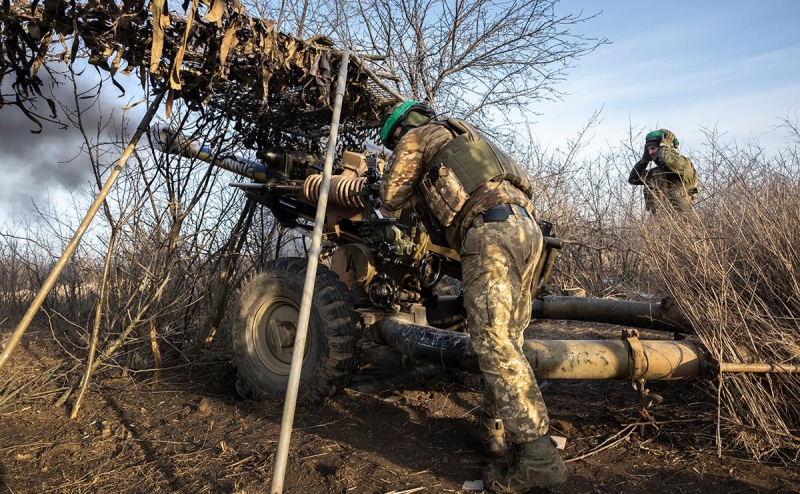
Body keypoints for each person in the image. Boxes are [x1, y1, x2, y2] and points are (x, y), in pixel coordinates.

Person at [378, 100, 568, 493]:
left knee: (494, 343)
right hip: (527, 230)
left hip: (489, 234)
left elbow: (391, 197)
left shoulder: (416, 137)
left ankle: (538, 458)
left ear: (399, 130)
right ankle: (495, 431)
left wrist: (382, 178)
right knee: (508, 340)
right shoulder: (468, 138)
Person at [629, 128, 698, 216]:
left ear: (667, 147)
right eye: (648, 150)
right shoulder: (656, 172)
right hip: (659, 222)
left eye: (653, 148)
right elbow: (633, 178)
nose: (650, 152)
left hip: (682, 221)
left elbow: (669, 161)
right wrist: (644, 161)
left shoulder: (684, 164)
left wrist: (664, 147)